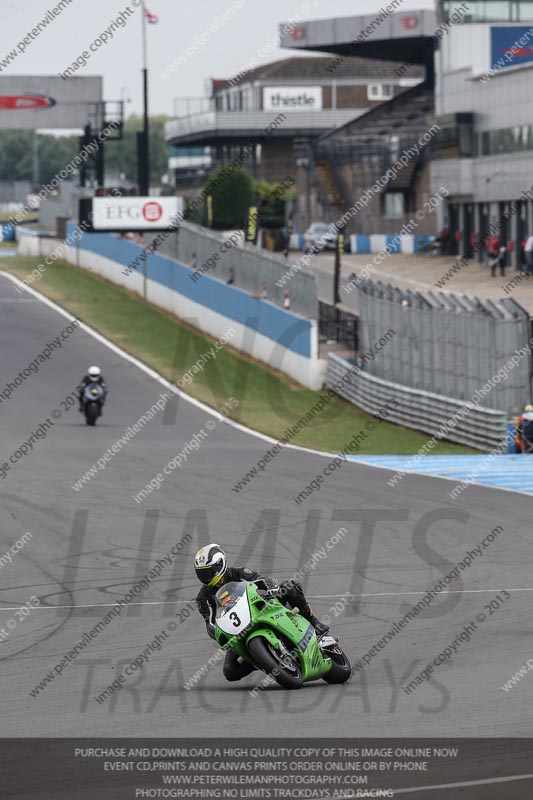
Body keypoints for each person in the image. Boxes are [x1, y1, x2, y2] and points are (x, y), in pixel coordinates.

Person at [194, 543, 329, 682]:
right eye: (201, 573)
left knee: (290, 587)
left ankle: (312, 620)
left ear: (219, 565)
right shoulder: (203, 598)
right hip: (238, 630)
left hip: (262, 607)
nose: (204, 577)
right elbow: (209, 623)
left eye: (207, 572)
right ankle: (262, 659)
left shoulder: (239, 573)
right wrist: (218, 633)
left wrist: (272, 586)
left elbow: (261, 581)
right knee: (230, 671)